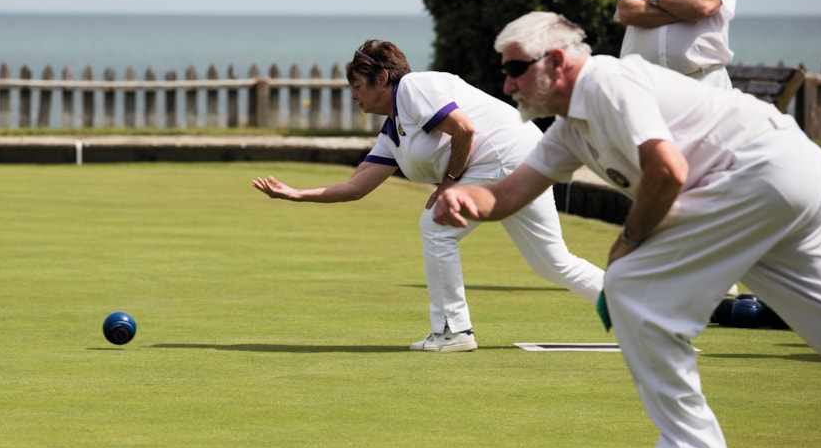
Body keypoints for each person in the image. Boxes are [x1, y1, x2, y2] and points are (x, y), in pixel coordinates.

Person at [432, 11, 821, 448]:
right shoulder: (571, 128)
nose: (508, 86)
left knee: (628, 284)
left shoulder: (606, 83)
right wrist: (466, 197)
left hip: (758, 176)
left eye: (514, 70)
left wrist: (628, 243)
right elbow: (508, 195)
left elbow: (667, 170)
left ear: (554, 61)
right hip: (798, 174)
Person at [251, 38, 604, 352]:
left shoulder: (413, 88)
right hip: (523, 156)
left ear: (383, 79)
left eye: (357, 86)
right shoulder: (394, 131)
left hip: (504, 155)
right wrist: (296, 194)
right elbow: (355, 187)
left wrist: (448, 183)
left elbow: (464, 129)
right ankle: (638, 304)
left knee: (436, 225)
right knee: (551, 261)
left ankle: (453, 330)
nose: (354, 96)